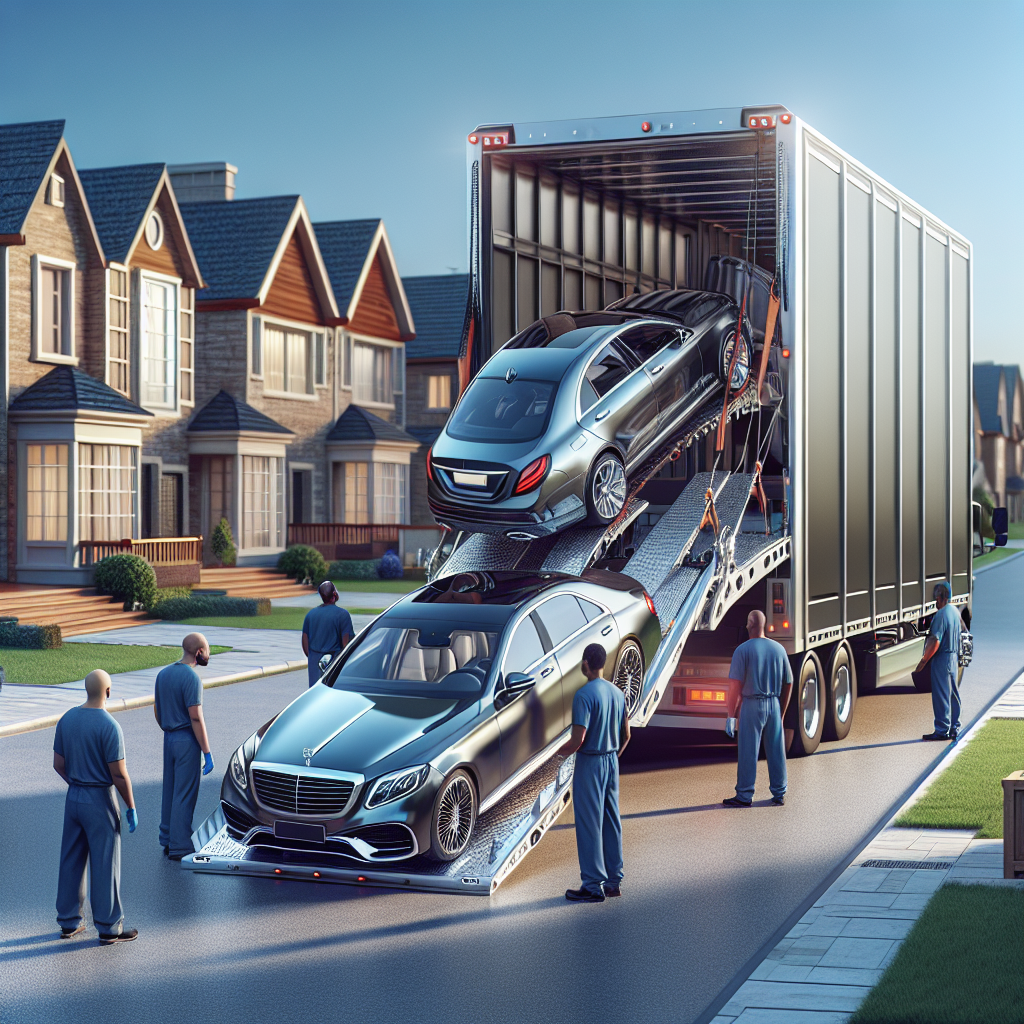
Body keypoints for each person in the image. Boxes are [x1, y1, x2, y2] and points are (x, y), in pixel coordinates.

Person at [53, 669, 138, 944]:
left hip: (74, 797)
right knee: (104, 862)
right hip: (100, 799)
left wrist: (77, 782)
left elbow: (58, 765)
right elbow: (118, 774)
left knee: (71, 860)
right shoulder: (109, 726)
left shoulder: (67, 719)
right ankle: (109, 927)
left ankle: (69, 922)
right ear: (108, 691)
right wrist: (130, 806)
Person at [559, 643, 630, 903]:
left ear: (586, 663)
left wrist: (558, 756)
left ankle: (591, 885)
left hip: (590, 763)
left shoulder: (583, 695)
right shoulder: (618, 693)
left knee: (589, 823)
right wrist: (612, 756)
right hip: (611, 760)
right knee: (612, 820)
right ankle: (614, 882)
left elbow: (578, 739)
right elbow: (627, 735)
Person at [723, 610, 793, 808]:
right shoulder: (779, 649)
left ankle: (745, 794)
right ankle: (779, 792)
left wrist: (731, 716)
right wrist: (781, 712)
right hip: (774, 703)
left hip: (752, 704)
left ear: (749, 625)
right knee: (776, 749)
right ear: (764, 625)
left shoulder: (742, 650)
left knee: (748, 750)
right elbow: (789, 682)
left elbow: (735, 686)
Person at [154, 633, 214, 860]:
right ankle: (181, 845)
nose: (209, 654)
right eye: (207, 650)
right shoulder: (191, 678)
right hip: (186, 740)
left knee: (169, 790)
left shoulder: (163, 674)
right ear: (199, 652)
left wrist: (168, 729)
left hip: (168, 738)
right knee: (184, 792)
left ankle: (167, 838)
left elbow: (157, 710)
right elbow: (196, 718)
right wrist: (206, 752)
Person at [916, 581, 962, 742]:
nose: (935, 601)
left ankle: (942, 730)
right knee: (952, 694)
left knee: (941, 694)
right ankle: (954, 727)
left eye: (935, 598)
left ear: (939, 597)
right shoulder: (955, 611)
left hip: (942, 659)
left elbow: (935, 640)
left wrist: (923, 661)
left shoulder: (941, 615)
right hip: (953, 657)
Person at [302, 581, 354, 687]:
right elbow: (346, 643)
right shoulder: (343, 615)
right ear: (334, 594)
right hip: (334, 664)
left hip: (315, 664)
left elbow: (305, 641)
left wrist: (313, 657)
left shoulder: (310, 615)